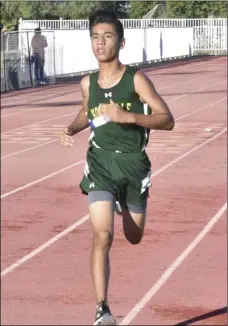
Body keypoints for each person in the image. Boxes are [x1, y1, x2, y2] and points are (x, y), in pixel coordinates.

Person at [58, 9, 174, 325]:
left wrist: (130, 117)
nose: (100, 42)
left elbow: (167, 119)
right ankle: (102, 309)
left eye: (108, 36)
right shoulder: (87, 82)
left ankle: (127, 203)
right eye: (95, 36)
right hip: (100, 165)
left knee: (133, 237)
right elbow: (88, 111)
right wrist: (70, 129)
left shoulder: (135, 79)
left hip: (133, 166)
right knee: (102, 234)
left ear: (121, 42)